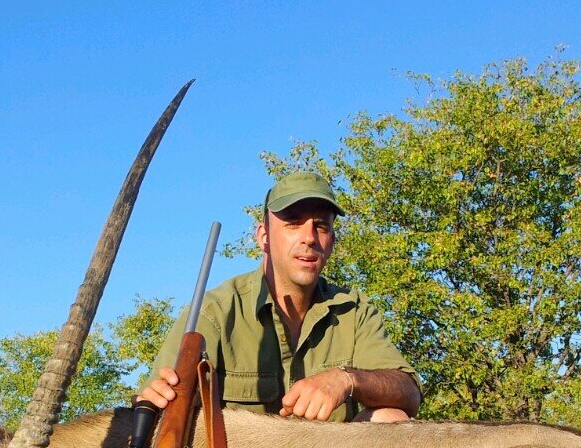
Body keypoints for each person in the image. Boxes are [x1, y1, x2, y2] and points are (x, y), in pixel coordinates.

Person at [138, 172, 421, 423]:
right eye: (293, 223)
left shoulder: (354, 311)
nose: (309, 237)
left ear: (331, 242)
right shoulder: (212, 312)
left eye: (321, 226)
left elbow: (408, 393)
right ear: (263, 236)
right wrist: (157, 403)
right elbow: (158, 407)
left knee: (389, 418)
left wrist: (346, 379)